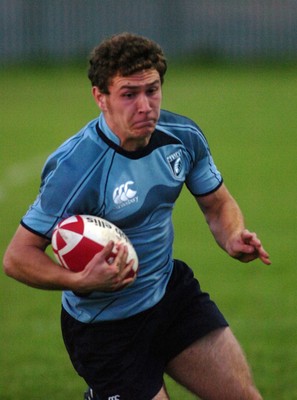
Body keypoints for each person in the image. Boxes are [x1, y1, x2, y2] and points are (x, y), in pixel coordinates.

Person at [3, 32, 271, 400]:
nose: (145, 105)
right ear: (100, 97)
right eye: (129, 94)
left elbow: (218, 204)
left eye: (153, 90)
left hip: (170, 296)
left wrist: (233, 235)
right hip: (106, 328)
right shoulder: (74, 169)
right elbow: (17, 257)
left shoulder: (182, 137)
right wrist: (80, 280)